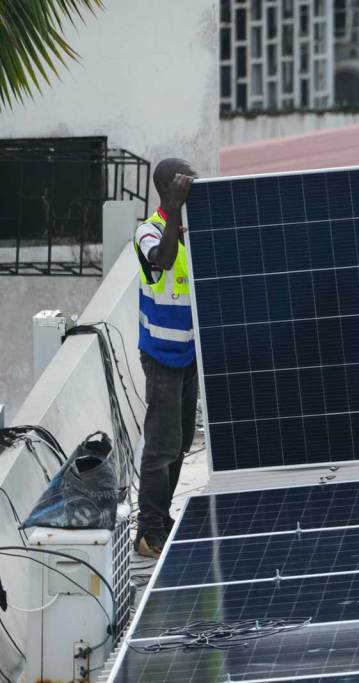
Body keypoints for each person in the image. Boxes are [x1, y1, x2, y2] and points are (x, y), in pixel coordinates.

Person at [133, 158, 198, 557]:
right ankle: (148, 530)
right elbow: (163, 260)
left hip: (190, 351)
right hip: (161, 353)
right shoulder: (149, 230)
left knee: (182, 441)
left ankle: (164, 516)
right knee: (161, 445)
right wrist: (173, 211)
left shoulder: (192, 230)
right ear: (166, 190)